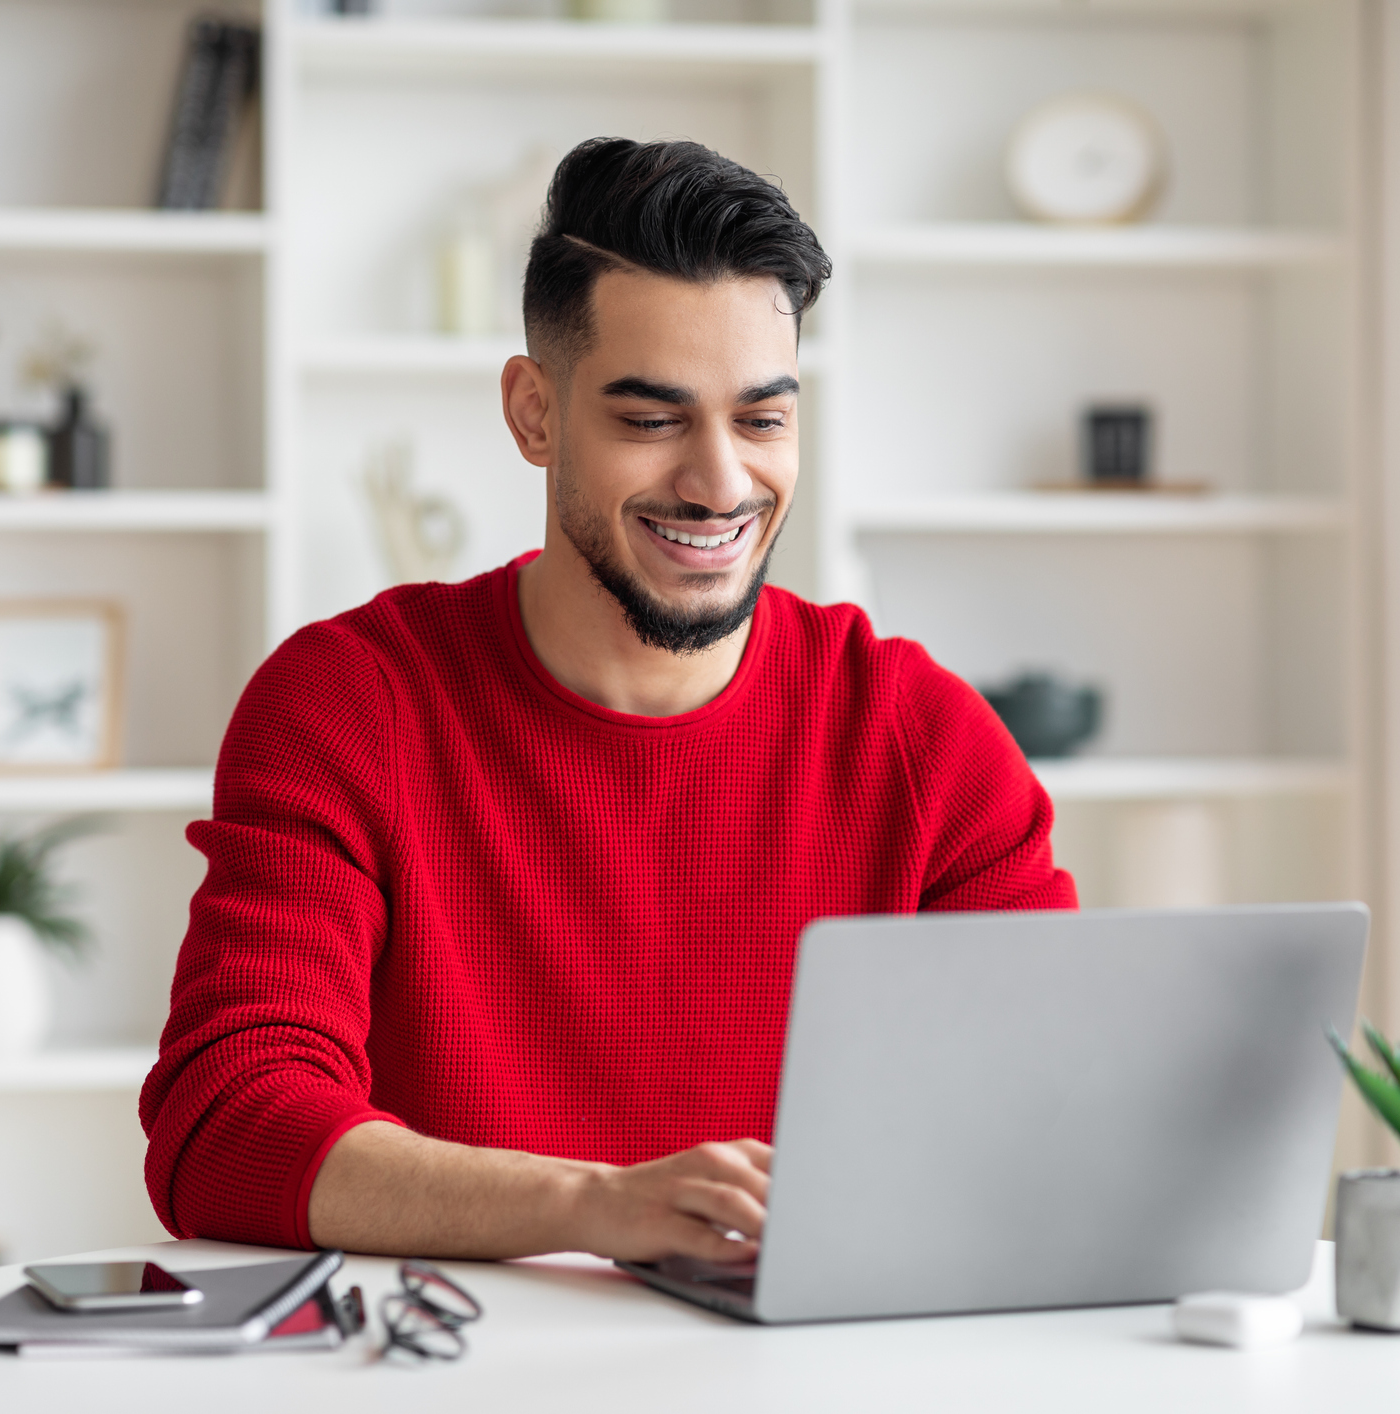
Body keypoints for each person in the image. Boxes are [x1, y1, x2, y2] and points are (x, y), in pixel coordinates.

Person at [140, 137, 1076, 1268]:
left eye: (763, 419)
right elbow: (225, 1125)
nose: (721, 482)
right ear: (534, 412)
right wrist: (595, 1207)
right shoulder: (350, 704)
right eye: (652, 419)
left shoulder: (921, 735)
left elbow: (1055, 1119)